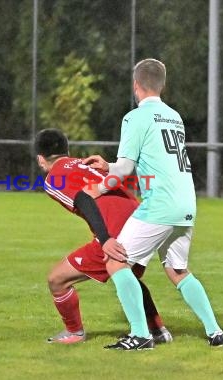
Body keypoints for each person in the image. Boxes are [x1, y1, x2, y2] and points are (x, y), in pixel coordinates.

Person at [83, 58, 223, 347]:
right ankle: (215, 332)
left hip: (159, 203)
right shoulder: (174, 116)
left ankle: (140, 335)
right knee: (177, 271)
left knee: (114, 260)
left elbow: (126, 169)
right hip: (186, 202)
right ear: (163, 85)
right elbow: (140, 162)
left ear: (136, 85)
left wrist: (97, 189)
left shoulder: (135, 117)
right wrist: (109, 165)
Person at [35, 128, 170, 350]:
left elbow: (84, 199)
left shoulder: (53, 179)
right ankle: (158, 331)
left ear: (41, 159)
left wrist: (105, 238)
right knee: (130, 278)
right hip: (142, 220)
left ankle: (74, 332)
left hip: (115, 232)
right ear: (67, 151)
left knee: (57, 280)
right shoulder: (87, 162)